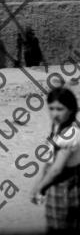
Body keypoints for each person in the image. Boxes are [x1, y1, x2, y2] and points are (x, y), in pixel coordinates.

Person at [31, 86, 80, 231]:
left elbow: (57, 169)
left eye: (60, 109)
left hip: (65, 188)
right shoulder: (59, 128)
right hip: (55, 186)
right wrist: (39, 183)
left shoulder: (71, 134)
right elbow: (49, 163)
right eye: (51, 108)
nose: (54, 113)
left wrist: (38, 188)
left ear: (71, 110)